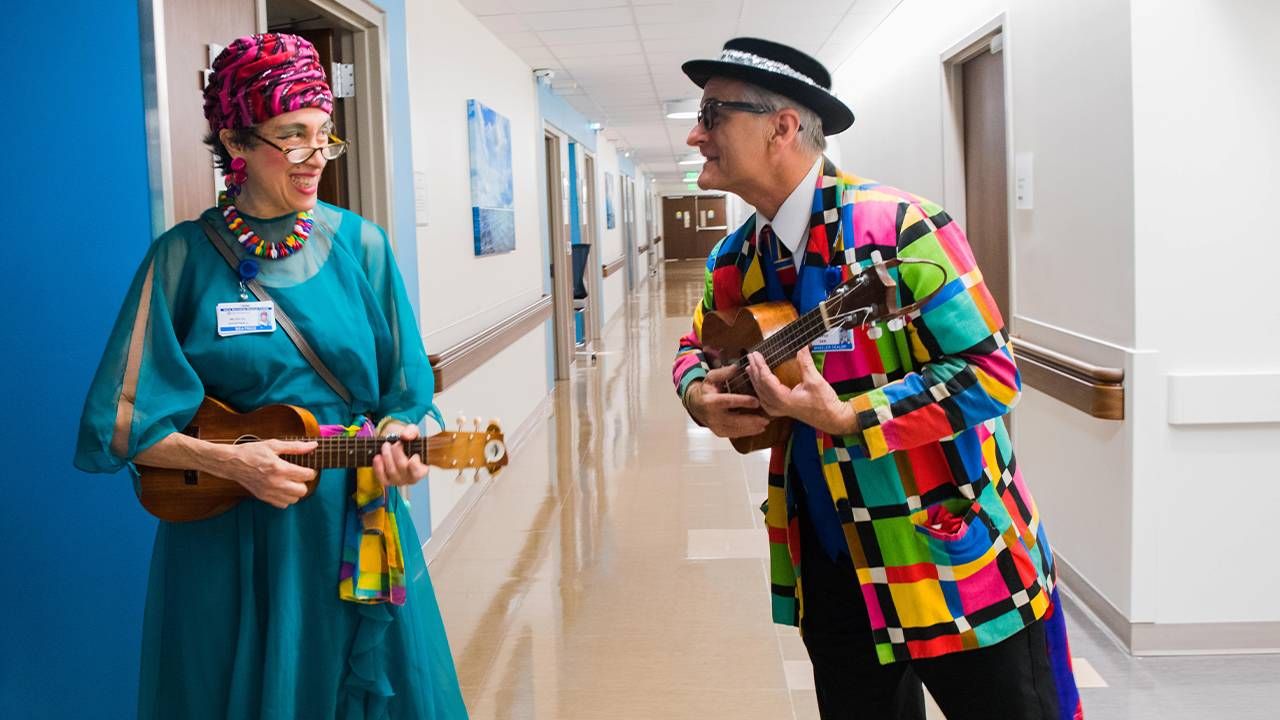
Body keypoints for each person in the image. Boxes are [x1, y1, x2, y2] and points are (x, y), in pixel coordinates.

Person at [672, 38, 1083, 720]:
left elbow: (991, 372)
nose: (695, 133)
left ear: (780, 127)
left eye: (713, 114)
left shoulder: (901, 228)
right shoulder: (735, 258)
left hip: (949, 555)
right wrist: (697, 395)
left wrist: (852, 416)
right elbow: (694, 347)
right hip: (832, 569)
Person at [74, 33, 467, 719]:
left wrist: (403, 443)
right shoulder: (182, 261)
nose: (317, 158)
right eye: (294, 137)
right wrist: (231, 463)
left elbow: (405, 394)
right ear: (236, 141)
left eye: (325, 137)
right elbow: (121, 420)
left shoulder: (362, 247)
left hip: (355, 519)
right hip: (230, 536)